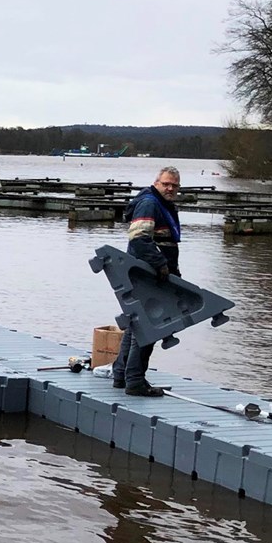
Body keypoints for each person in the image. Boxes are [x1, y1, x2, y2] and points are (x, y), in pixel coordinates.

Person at [113, 167, 182, 397]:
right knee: (148, 326)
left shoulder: (160, 204)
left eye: (174, 185)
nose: (170, 188)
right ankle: (135, 381)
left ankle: (121, 374)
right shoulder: (149, 204)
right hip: (147, 275)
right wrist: (161, 264)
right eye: (166, 184)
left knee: (136, 325)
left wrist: (173, 270)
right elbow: (139, 238)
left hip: (147, 273)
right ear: (156, 183)